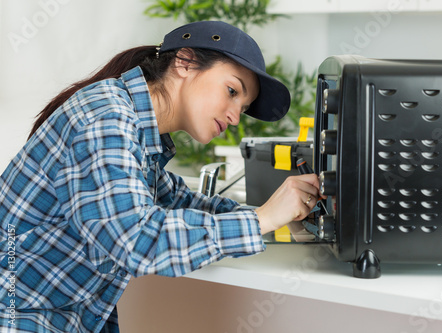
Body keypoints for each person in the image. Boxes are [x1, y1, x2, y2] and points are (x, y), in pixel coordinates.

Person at [0, 21, 321, 332]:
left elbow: (181, 202)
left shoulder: (137, 132)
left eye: (243, 105)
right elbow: (136, 240)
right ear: (185, 62)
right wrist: (262, 220)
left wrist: (277, 216)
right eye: (231, 90)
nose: (235, 116)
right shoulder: (106, 119)